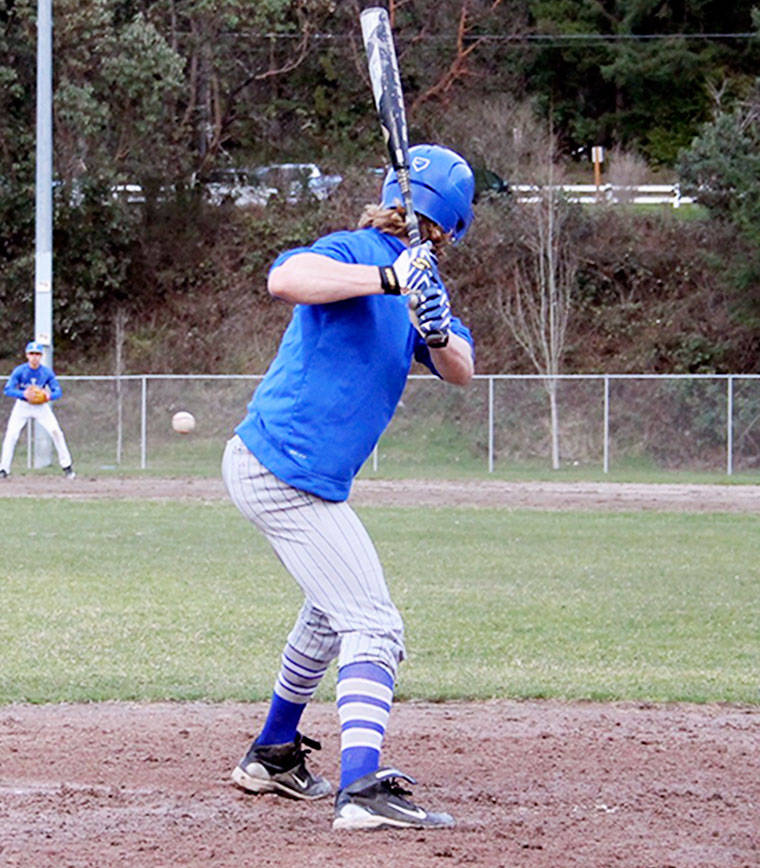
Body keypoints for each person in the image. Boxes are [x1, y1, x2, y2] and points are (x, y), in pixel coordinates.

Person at [223, 144, 477, 831]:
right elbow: (288, 277)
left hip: (303, 477)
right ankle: (361, 788)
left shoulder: (423, 283)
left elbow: (462, 368)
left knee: (329, 613)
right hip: (283, 469)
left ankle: (273, 754)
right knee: (374, 623)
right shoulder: (359, 251)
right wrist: (387, 278)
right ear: (452, 227)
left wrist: (434, 326)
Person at [1, 341, 75, 480]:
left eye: (37, 354)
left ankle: (67, 467)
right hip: (22, 406)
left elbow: (57, 391)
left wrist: (49, 396)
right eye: (31, 354)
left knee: (56, 432)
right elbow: (8, 389)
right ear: (27, 355)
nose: (34, 357)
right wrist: (22, 394)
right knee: (11, 435)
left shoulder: (46, 372)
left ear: (41, 356)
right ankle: (3, 469)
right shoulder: (20, 370)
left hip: (41, 407)